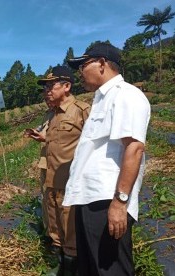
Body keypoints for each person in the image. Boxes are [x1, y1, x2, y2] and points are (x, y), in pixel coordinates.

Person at [64, 42, 151, 275]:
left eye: (83, 65)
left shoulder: (126, 95)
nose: (79, 72)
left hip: (106, 201)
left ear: (102, 63)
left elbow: (134, 148)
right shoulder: (102, 99)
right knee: (92, 269)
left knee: (111, 270)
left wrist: (120, 202)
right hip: (90, 199)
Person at [37, 66, 90, 275]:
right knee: (54, 226)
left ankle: (72, 268)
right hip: (52, 179)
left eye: (51, 85)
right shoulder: (52, 114)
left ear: (67, 86)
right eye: (45, 87)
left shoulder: (81, 111)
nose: (47, 90)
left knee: (71, 230)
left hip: (71, 183)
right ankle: (59, 263)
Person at [25, 88, 54, 235]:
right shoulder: (48, 115)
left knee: (55, 200)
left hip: (58, 163)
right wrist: (34, 133)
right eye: (46, 100)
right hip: (45, 160)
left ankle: (59, 238)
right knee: (45, 196)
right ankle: (49, 231)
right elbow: (43, 130)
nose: (48, 102)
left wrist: (45, 137)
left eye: (49, 99)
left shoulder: (63, 114)